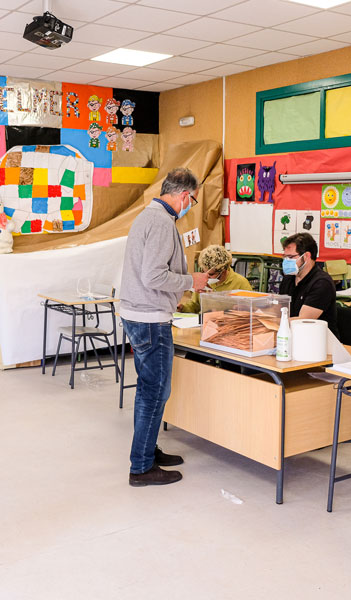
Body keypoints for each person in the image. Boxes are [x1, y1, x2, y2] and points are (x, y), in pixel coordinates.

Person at [120, 168, 210, 487]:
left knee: (149, 389)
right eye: (193, 200)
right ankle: (142, 467)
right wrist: (191, 281)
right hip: (149, 318)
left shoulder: (150, 216)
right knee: (155, 391)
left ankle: (147, 450)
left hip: (140, 313)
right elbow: (153, 276)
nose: (190, 205)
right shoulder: (160, 221)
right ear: (184, 195)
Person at [278, 232, 339, 338]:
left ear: (306, 256)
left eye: (291, 257)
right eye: (285, 257)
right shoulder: (288, 278)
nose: (286, 261)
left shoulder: (322, 283)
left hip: (318, 341)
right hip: (292, 337)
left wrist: (271, 323)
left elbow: (303, 320)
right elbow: (279, 310)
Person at [178, 245, 252, 313]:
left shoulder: (241, 283)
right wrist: (182, 308)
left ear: (223, 271)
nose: (206, 276)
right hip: (205, 323)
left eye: (210, 274)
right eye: (203, 271)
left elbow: (251, 309)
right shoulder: (203, 282)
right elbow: (195, 305)